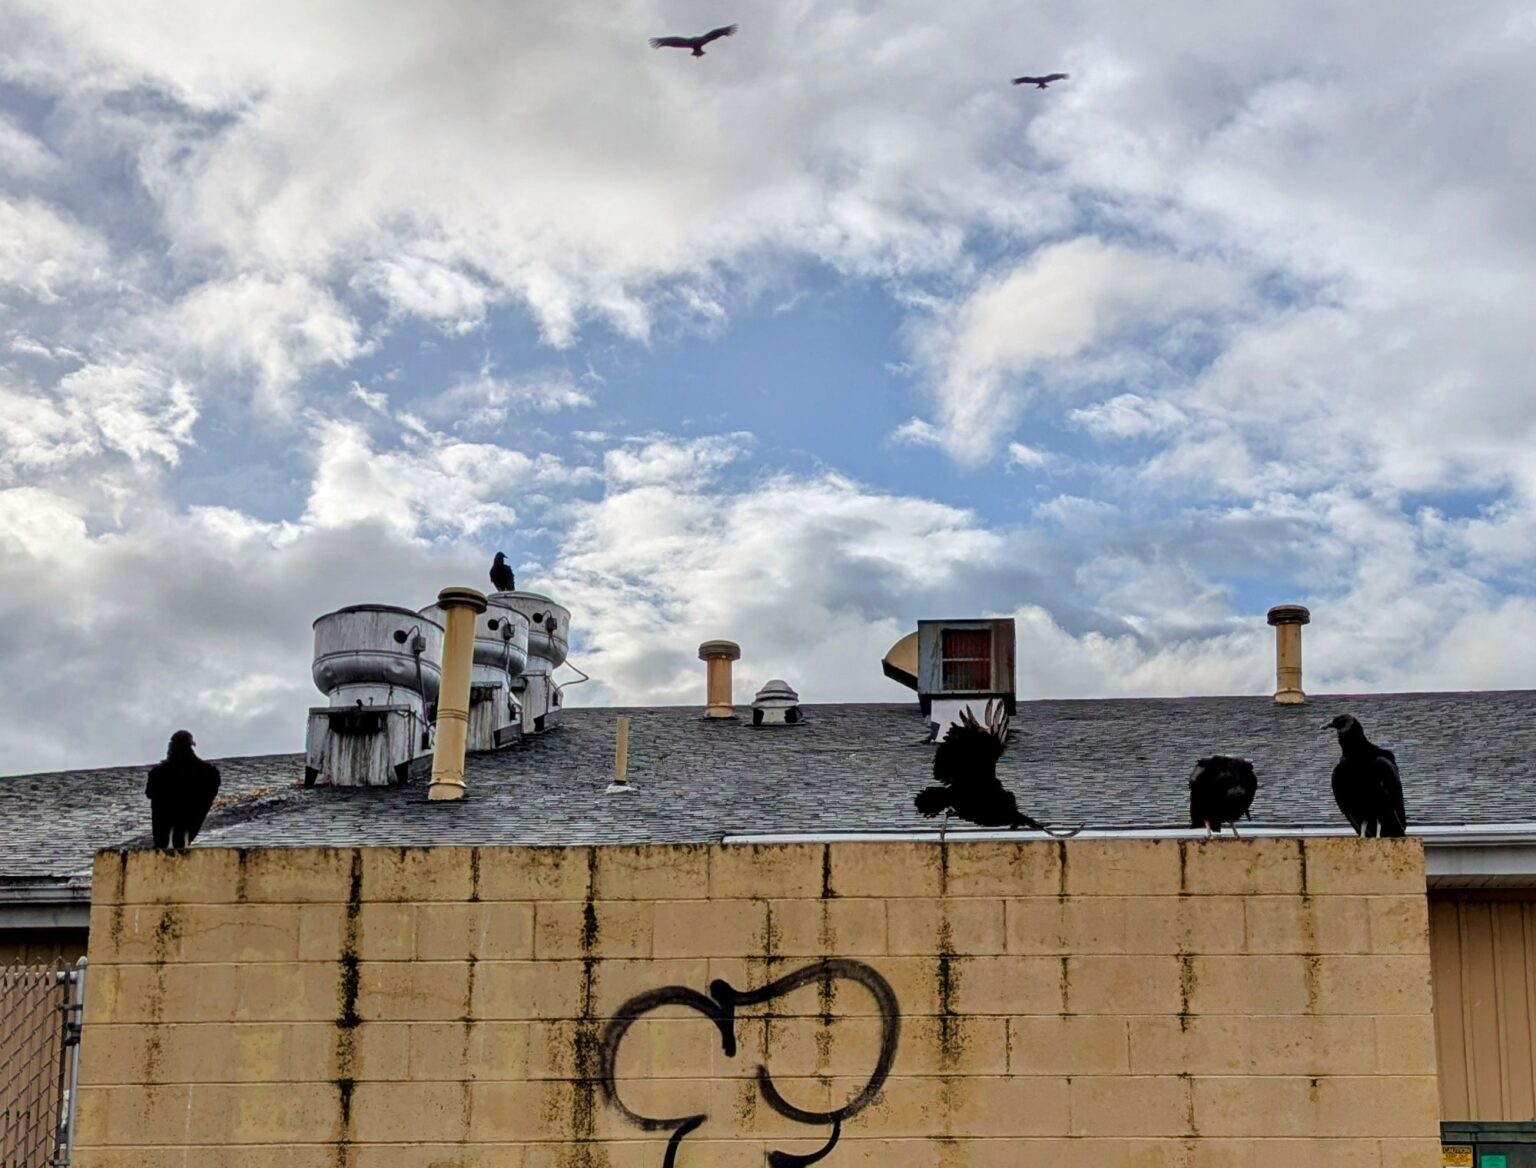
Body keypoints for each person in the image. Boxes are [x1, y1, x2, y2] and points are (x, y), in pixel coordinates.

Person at [145, 730, 221, 851]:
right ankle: (179, 842)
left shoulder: (160, 773)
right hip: (180, 815)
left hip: (181, 814)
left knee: (184, 816)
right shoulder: (206, 772)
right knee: (185, 816)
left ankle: (177, 842)